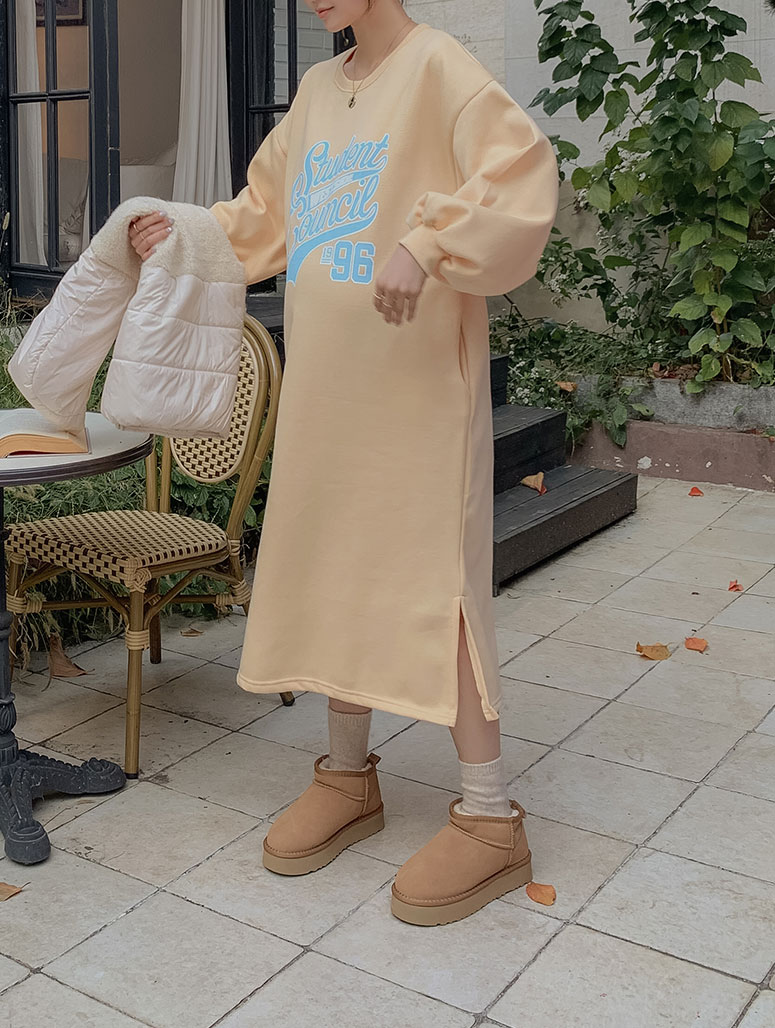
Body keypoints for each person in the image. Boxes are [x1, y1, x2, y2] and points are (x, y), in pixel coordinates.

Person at [129, 0, 558, 927]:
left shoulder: (439, 67)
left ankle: (490, 816)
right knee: (332, 567)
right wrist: (181, 233)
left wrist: (425, 242)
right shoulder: (320, 88)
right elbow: (261, 215)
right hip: (328, 394)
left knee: (438, 582)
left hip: (417, 393)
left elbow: (520, 177)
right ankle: (347, 774)